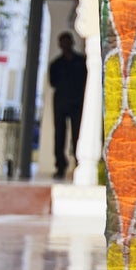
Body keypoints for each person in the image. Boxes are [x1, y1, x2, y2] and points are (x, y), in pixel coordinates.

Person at [47, 32, 87, 181]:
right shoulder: (56, 64)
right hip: (61, 104)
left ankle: (78, 163)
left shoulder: (81, 62)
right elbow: (53, 83)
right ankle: (60, 166)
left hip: (77, 103)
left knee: (78, 135)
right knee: (60, 135)